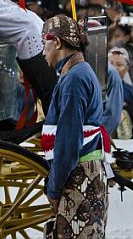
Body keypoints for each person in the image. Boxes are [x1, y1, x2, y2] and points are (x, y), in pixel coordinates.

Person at [41, 15, 108, 239]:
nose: (43, 52)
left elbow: (68, 143)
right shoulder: (78, 72)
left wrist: (53, 188)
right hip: (85, 173)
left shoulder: (74, 79)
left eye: (44, 44)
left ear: (57, 43)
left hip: (80, 176)